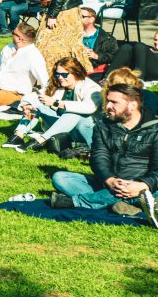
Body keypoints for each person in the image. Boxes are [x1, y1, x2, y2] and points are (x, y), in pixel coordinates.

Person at [50, 84, 158, 225]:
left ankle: (79, 202)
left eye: (114, 102)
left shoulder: (154, 129)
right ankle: (135, 205)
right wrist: (109, 180)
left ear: (132, 105)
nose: (107, 106)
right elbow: (98, 158)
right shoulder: (103, 126)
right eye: (108, 101)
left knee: (152, 193)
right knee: (61, 178)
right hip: (110, 185)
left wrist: (143, 185)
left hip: (146, 187)